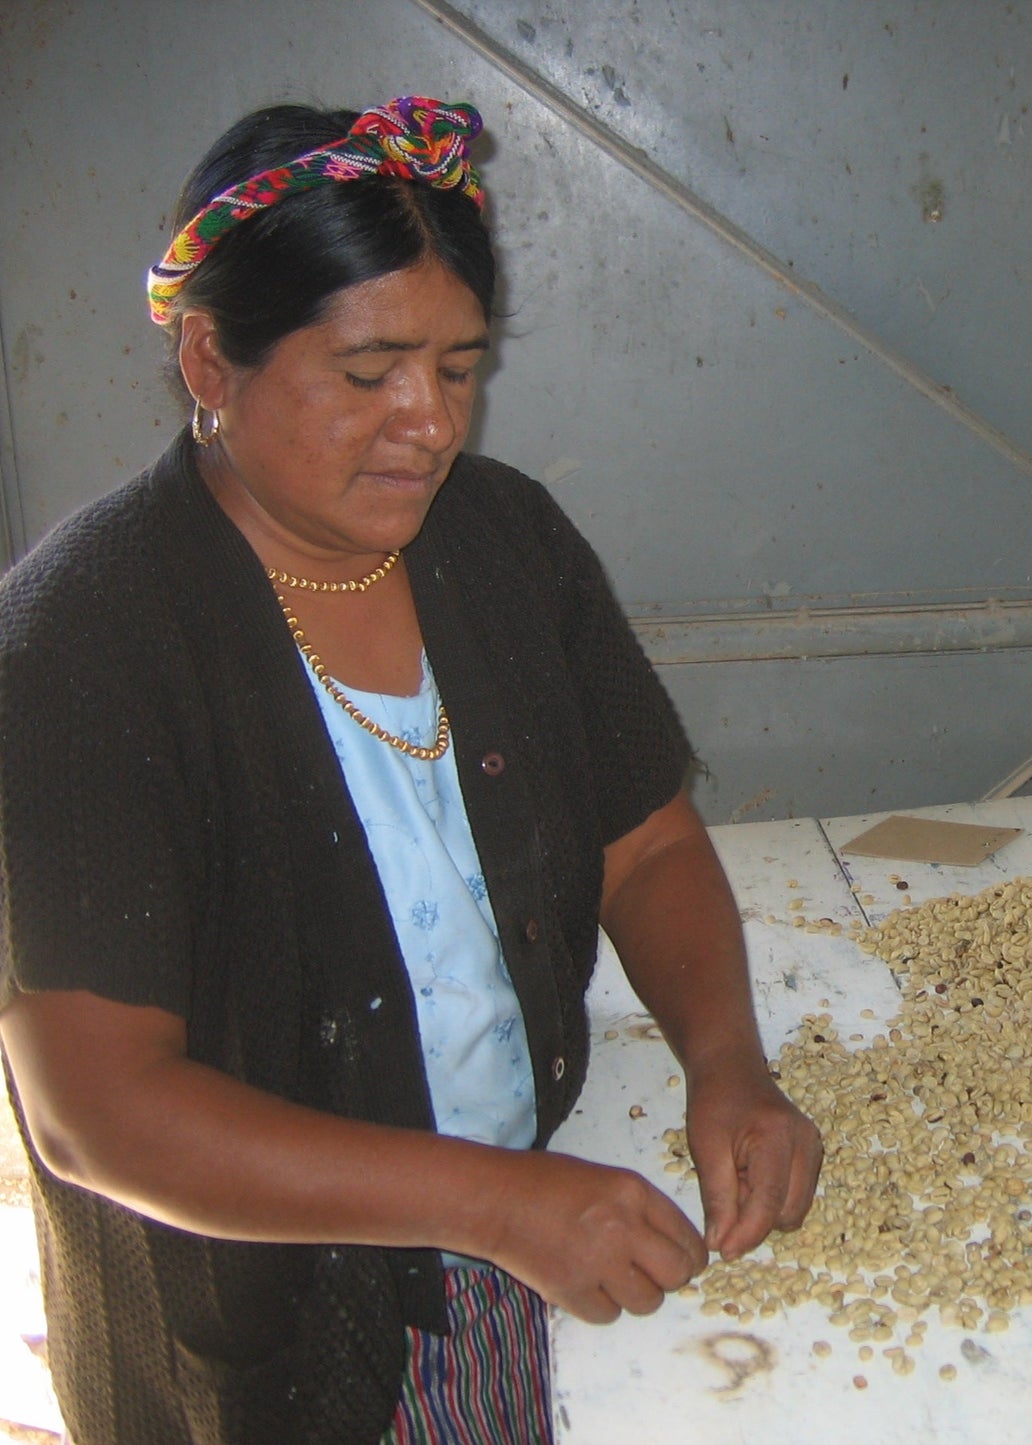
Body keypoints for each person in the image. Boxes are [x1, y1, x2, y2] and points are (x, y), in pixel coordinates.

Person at [0, 95, 822, 1445]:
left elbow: (650, 844)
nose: (429, 424)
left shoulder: (506, 542)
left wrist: (726, 1063)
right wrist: (487, 1201)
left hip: (506, 1230)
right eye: (369, 368)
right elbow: (101, 1112)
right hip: (251, 1306)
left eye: (457, 367)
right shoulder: (79, 650)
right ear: (210, 363)